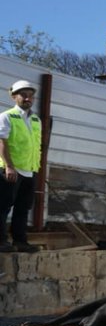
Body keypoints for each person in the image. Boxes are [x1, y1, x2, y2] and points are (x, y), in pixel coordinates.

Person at [0, 80, 43, 253]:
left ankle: (20, 241)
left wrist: (35, 169)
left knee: (23, 208)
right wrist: (9, 166)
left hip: (29, 171)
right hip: (10, 169)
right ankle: (1, 242)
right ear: (14, 96)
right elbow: (1, 142)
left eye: (30, 95)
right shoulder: (7, 116)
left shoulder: (35, 119)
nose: (28, 98)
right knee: (3, 206)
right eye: (23, 95)